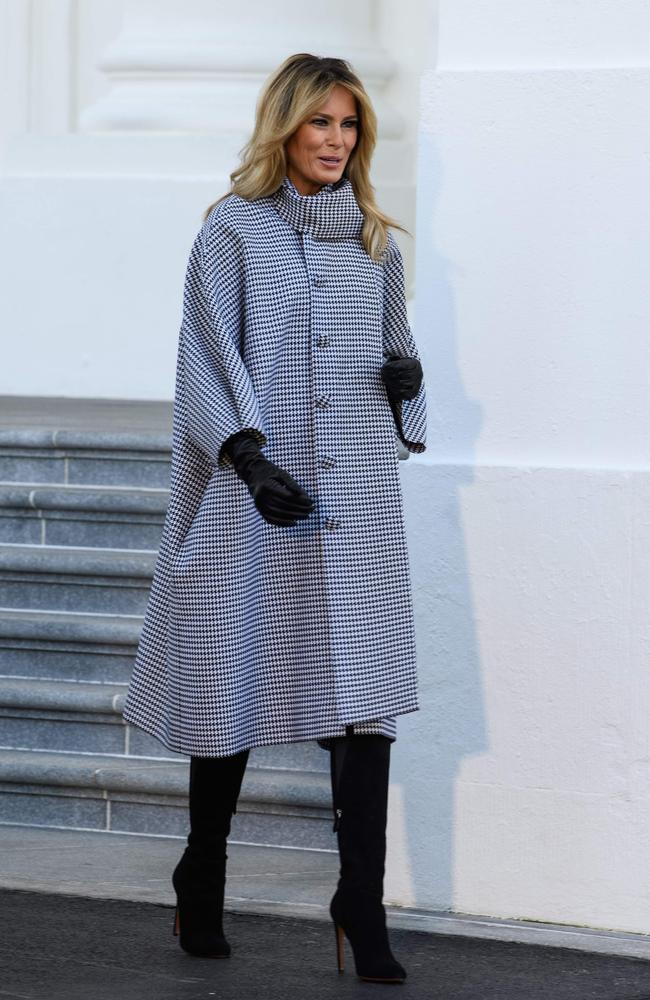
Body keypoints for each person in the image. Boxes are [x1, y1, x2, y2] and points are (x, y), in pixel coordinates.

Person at [122, 52, 426, 984]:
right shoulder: (233, 233)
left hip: (358, 499)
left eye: (349, 127)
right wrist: (246, 458)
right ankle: (200, 873)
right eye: (320, 124)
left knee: (363, 705)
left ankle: (359, 906)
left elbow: (399, 356)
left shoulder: (376, 243)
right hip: (263, 492)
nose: (336, 142)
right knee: (233, 685)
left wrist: (406, 385)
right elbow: (205, 353)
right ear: (284, 129)